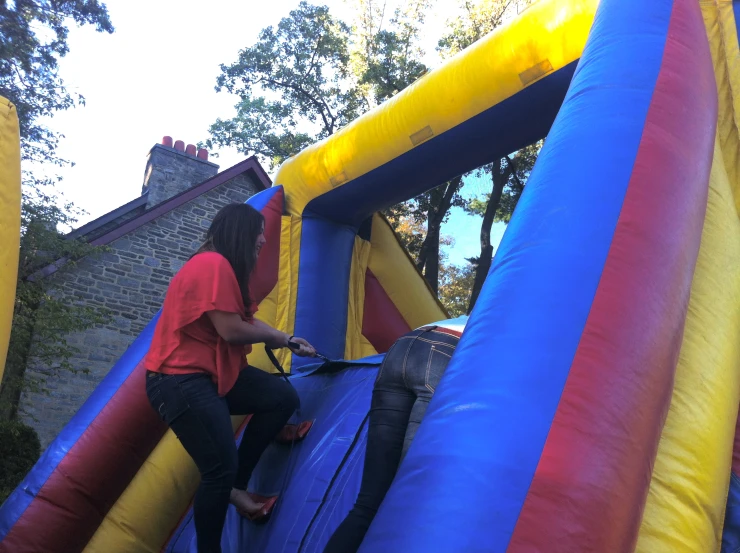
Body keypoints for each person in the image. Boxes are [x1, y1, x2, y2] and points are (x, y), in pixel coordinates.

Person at [143, 203, 316, 553]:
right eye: (259, 232)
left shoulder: (223, 271)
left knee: (280, 398)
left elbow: (246, 322)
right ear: (240, 232)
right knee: (217, 471)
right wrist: (273, 339)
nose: (264, 240)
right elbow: (231, 330)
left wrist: (287, 339)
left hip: (210, 374)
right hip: (180, 381)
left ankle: (236, 485)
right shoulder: (212, 264)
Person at [323, 315, 469, 553]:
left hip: (405, 345)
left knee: (368, 502)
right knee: (414, 497)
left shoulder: (487, 310)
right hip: (447, 349)